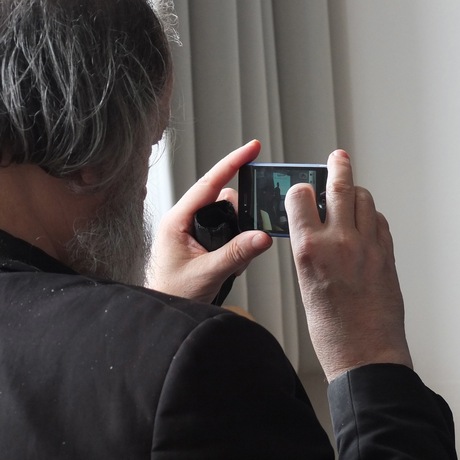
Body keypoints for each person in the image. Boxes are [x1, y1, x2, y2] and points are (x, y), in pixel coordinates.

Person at [0, 0, 456, 459]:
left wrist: (154, 320)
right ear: (91, 154)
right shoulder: (206, 359)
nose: (143, 187)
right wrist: (371, 356)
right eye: (150, 143)